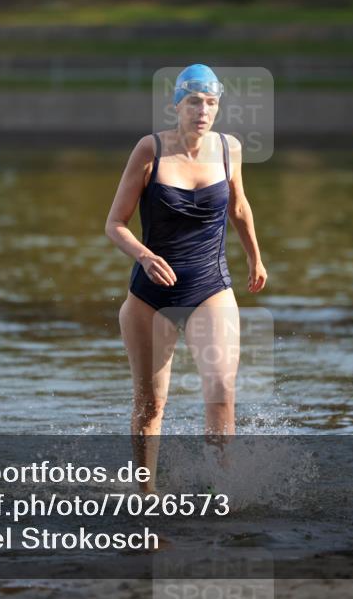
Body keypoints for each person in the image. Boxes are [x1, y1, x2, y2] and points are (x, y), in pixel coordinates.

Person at [105, 64, 267, 491]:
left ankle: (223, 488)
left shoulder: (230, 148)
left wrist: (255, 258)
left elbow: (239, 207)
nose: (203, 111)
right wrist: (143, 255)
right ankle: (146, 493)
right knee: (151, 403)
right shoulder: (150, 150)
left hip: (210, 286)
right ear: (176, 104)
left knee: (221, 390)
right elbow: (114, 224)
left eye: (211, 103)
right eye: (194, 101)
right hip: (150, 296)